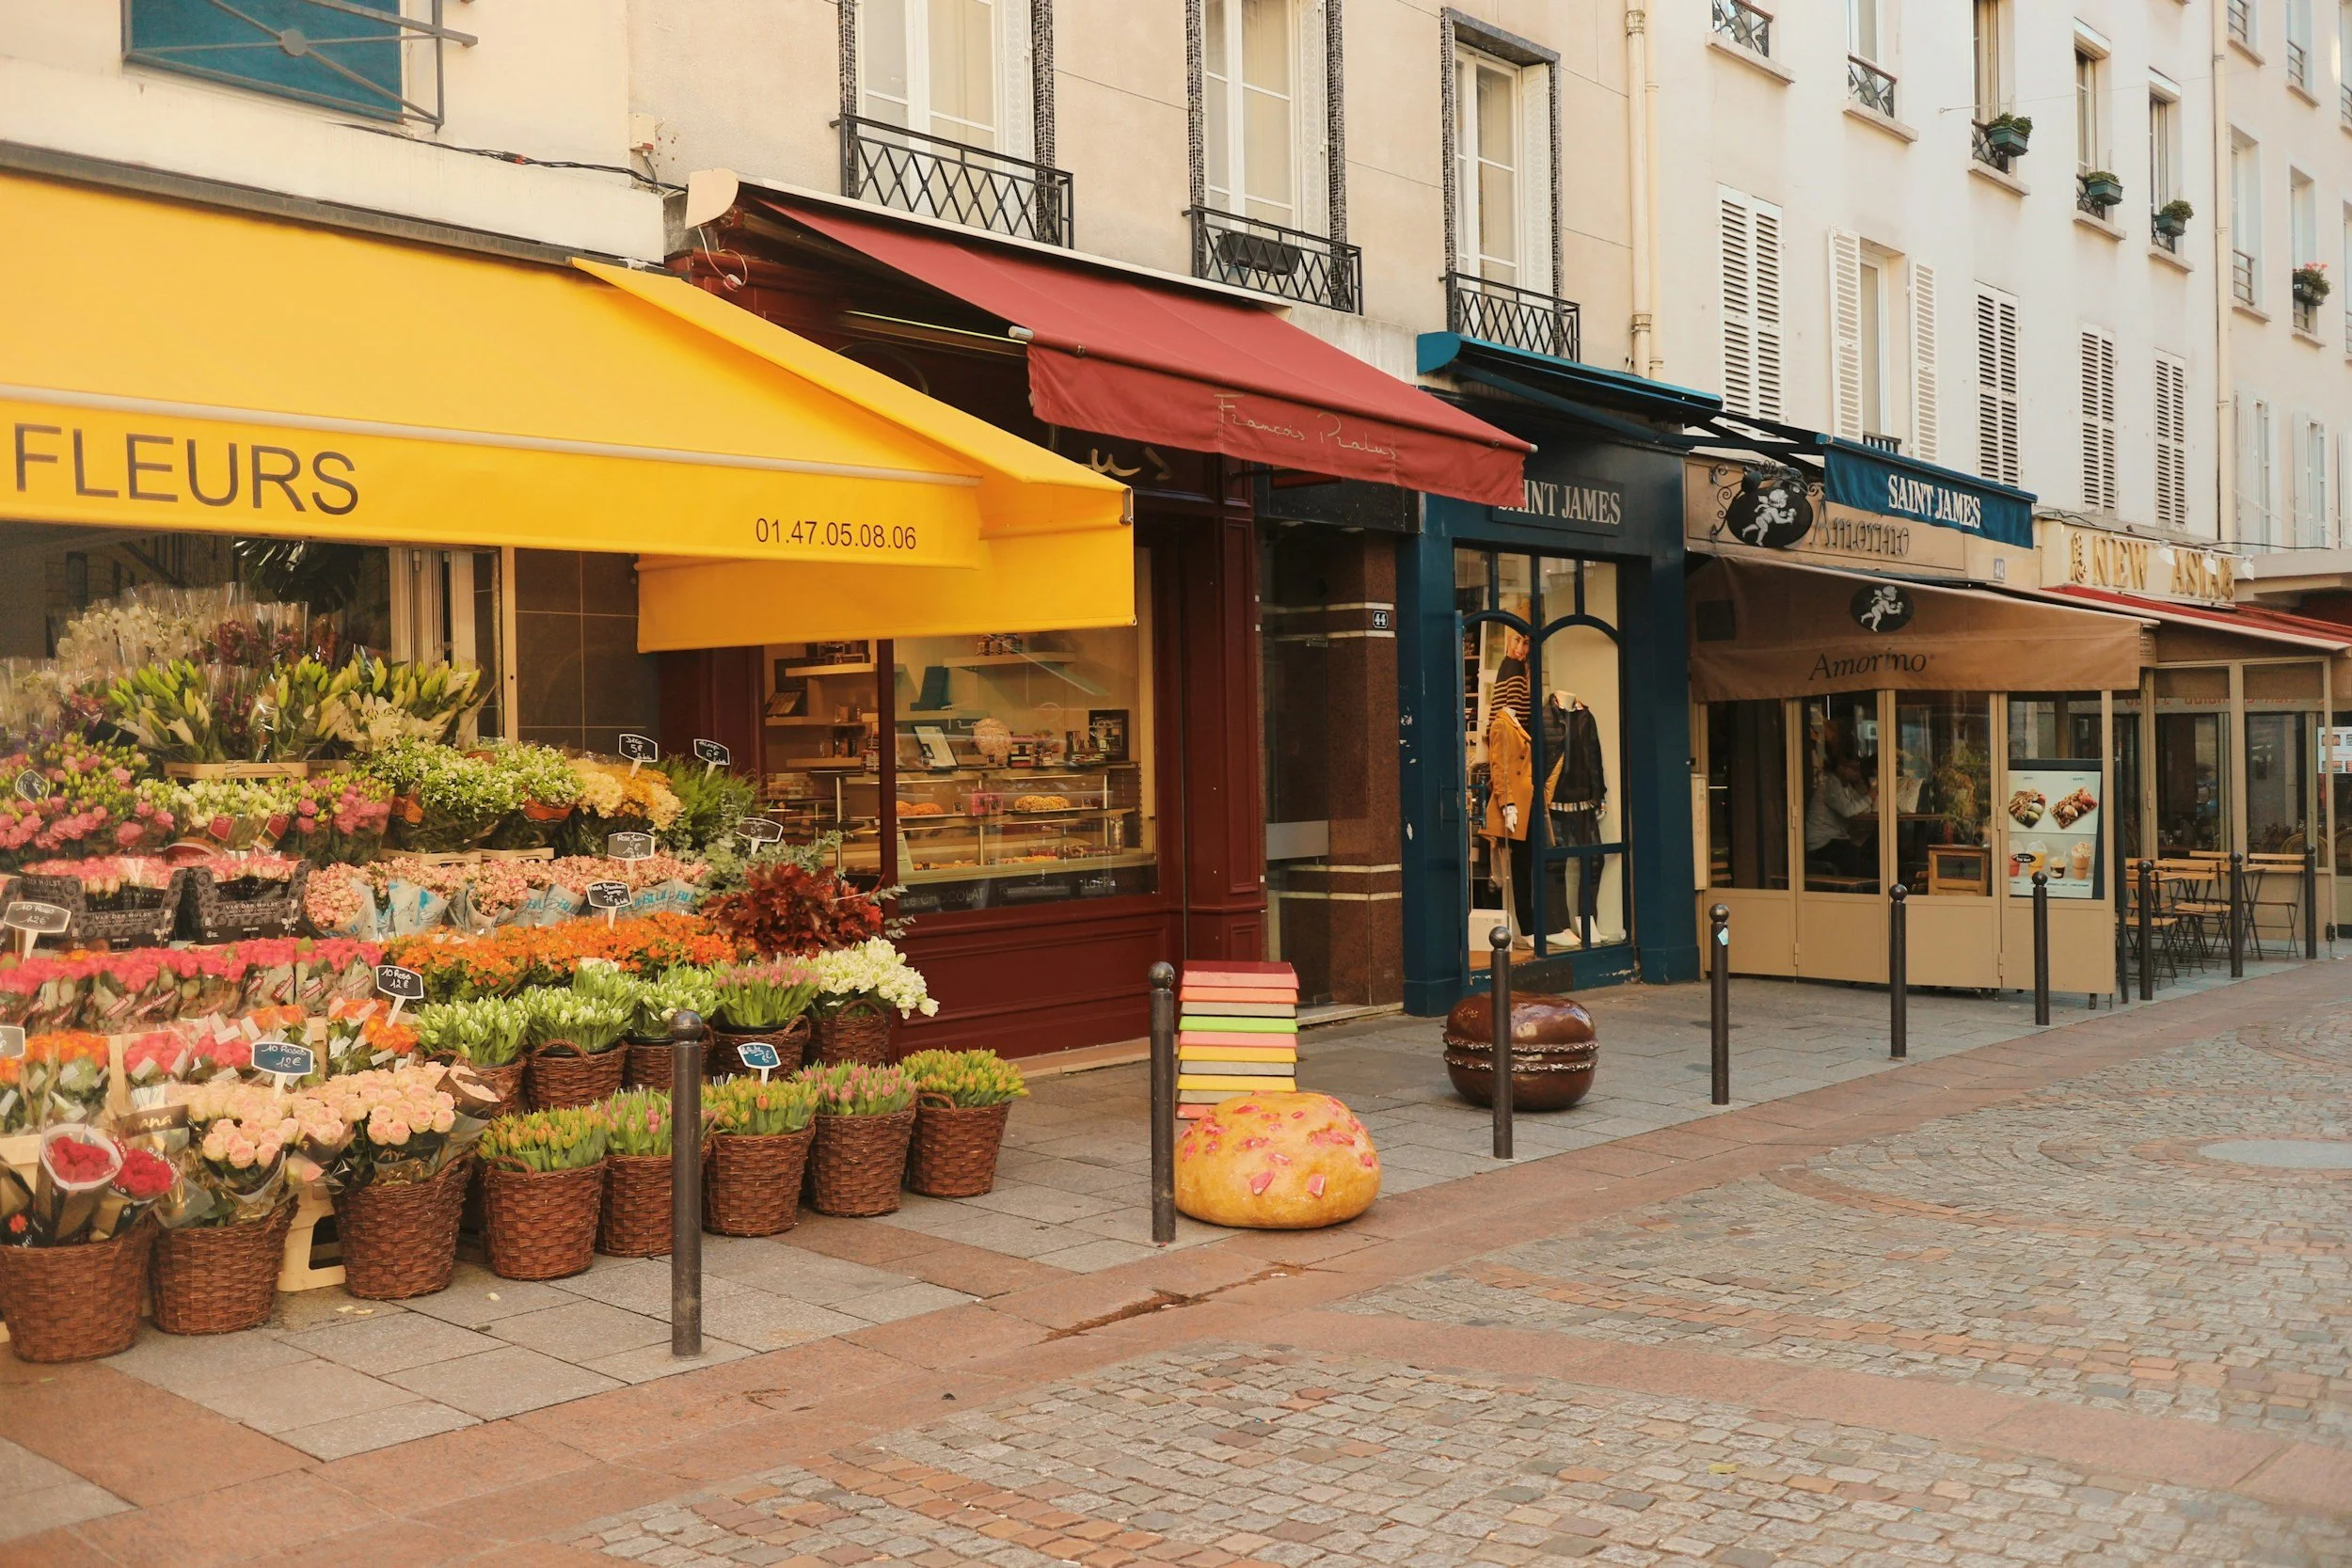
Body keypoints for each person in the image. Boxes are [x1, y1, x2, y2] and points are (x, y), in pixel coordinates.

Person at [1805, 752, 1878, 879]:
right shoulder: (1830, 783)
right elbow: (1848, 810)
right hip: (1821, 843)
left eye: (1859, 768)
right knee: (1864, 866)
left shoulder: (1846, 787)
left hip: (1835, 839)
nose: (1858, 772)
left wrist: (1868, 799)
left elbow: (1863, 808)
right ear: (1840, 768)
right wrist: (1869, 798)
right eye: (1853, 768)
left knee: (1865, 852)